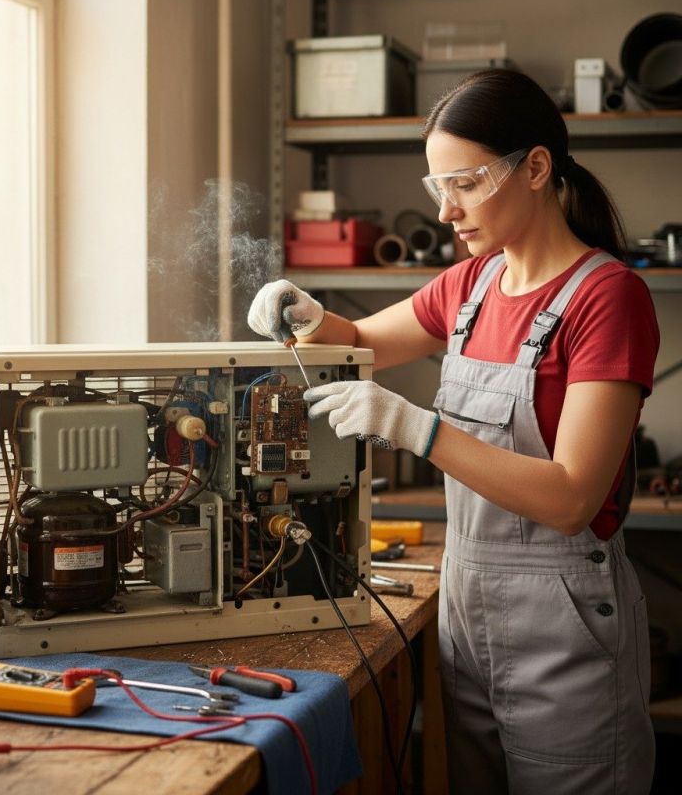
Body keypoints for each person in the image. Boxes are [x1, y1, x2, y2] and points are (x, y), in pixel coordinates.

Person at [248, 69, 659, 794]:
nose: (445, 211)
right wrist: (304, 315)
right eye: (438, 187)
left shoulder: (607, 298)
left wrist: (416, 427)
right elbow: (355, 339)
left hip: (562, 630)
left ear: (535, 167)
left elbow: (570, 499)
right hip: (465, 612)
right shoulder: (471, 285)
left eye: (464, 184)